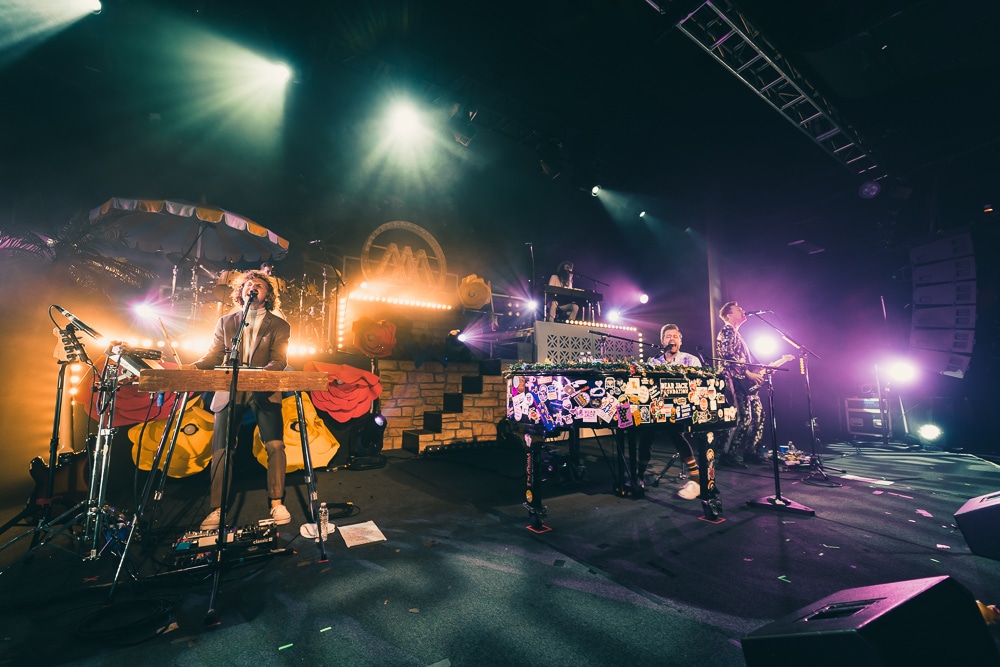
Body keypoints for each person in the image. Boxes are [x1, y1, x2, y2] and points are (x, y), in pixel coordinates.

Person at [192, 270, 292, 530]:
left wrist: (261, 376)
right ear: (241, 291)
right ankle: (217, 509)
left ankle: (277, 502)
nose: (253, 288)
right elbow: (214, 355)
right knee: (222, 450)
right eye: (249, 284)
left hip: (263, 388)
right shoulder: (226, 321)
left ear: (267, 293)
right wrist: (193, 369)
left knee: (275, 446)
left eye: (259, 285)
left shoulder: (279, 325)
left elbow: (280, 359)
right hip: (229, 387)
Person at [638, 324, 703, 500]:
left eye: (675, 336)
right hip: (657, 410)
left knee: (675, 432)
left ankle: (696, 480)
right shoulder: (653, 362)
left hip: (682, 411)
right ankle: (639, 476)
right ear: (662, 341)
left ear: (680, 341)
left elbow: (699, 387)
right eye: (668, 336)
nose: (671, 339)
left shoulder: (691, 360)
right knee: (646, 434)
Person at [715, 301, 765, 466]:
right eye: (739, 309)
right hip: (734, 379)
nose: (743, 310)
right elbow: (728, 356)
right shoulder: (728, 330)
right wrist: (747, 373)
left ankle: (751, 452)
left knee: (758, 416)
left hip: (743, 380)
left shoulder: (736, 333)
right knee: (742, 418)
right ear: (729, 314)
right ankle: (727, 455)